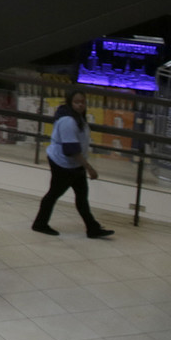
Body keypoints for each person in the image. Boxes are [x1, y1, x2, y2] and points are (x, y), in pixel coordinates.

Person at [33, 89, 113, 238]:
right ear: (70, 103)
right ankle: (40, 224)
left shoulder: (77, 117)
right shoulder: (68, 121)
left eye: (82, 102)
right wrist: (89, 168)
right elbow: (71, 150)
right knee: (55, 193)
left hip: (74, 164)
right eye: (76, 102)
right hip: (63, 164)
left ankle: (92, 228)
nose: (80, 105)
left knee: (81, 196)